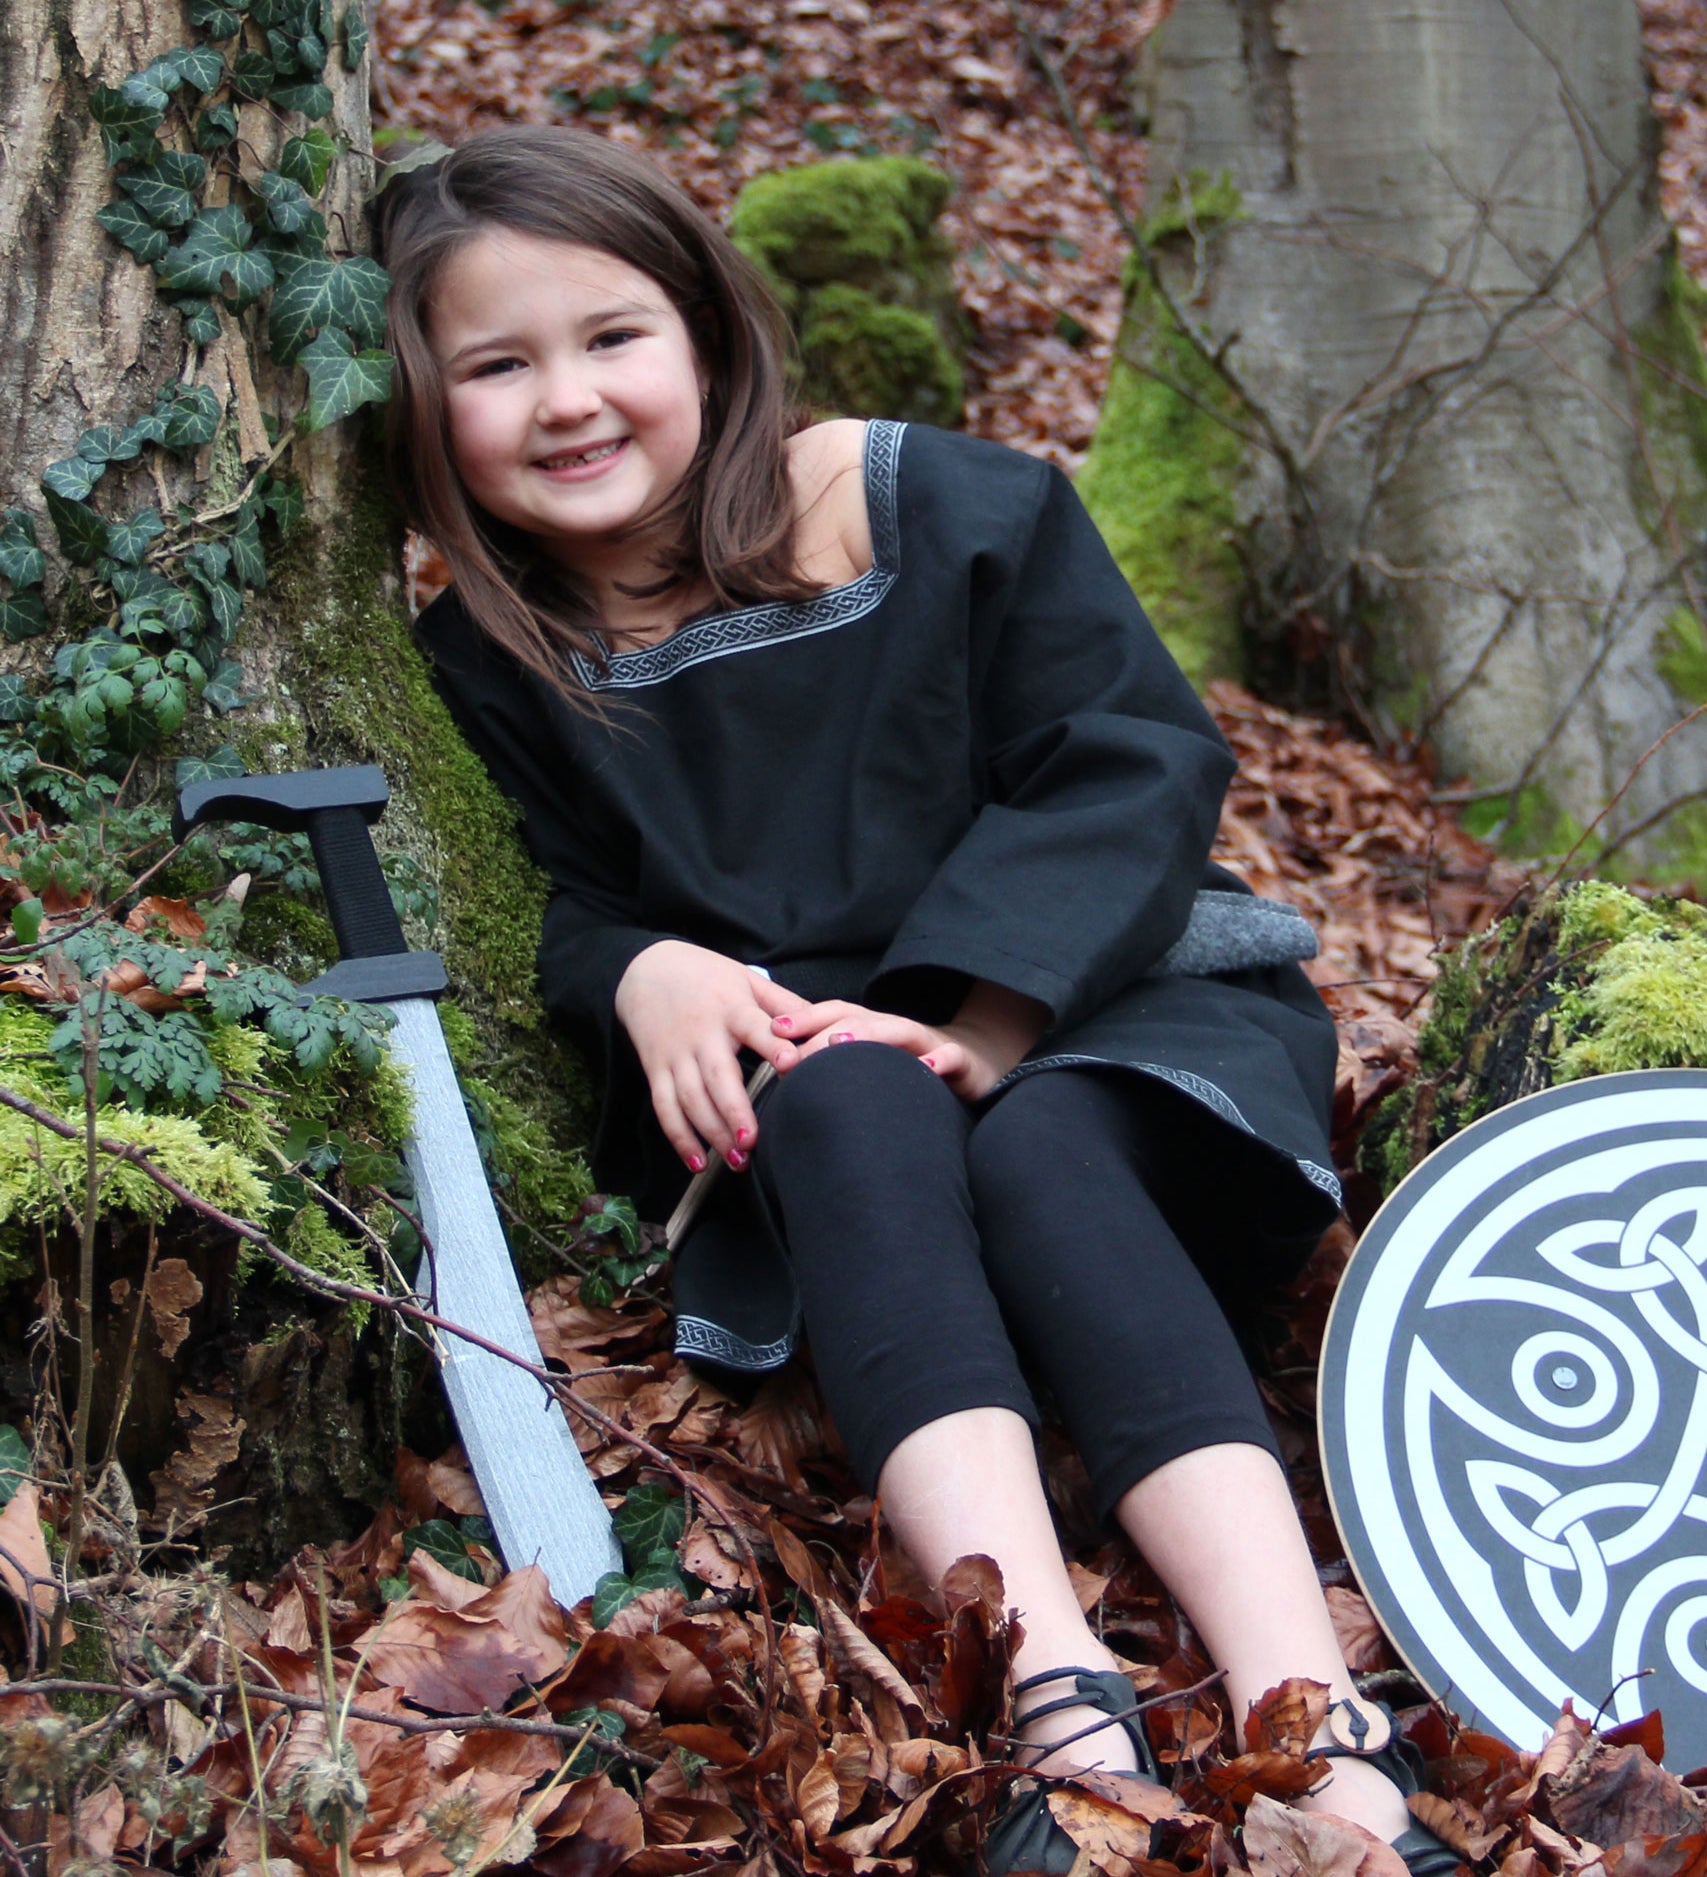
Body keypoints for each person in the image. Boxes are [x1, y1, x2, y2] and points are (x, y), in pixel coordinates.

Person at [375, 126, 1455, 1875]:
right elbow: (539, 902)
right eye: (496, 368)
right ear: (427, 416)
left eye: (609, 338)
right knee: (848, 1096)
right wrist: (639, 964)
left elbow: (1126, 764)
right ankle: (1057, 1702)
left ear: (711, 338)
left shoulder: (932, 505)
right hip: (822, 1084)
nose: (567, 400)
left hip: (1102, 1013)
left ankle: (1320, 1723)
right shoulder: (490, 665)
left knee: (1042, 1154)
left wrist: (982, 1015)